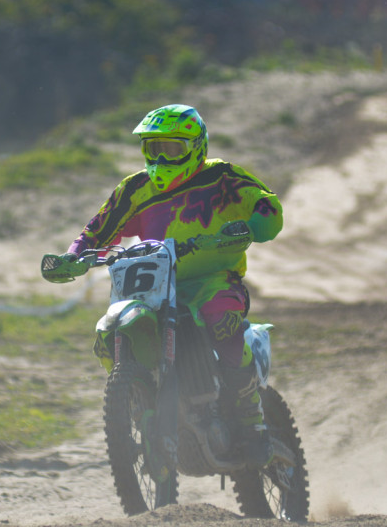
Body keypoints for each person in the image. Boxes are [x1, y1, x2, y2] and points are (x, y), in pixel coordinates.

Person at [47, 104, 283, 467]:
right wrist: (73, 256)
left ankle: (252, 423)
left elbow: (266, 206)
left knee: (218, 316)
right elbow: (97, 229)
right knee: (117, 325)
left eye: (171, 149)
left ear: (195, 146)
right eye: (153, 148)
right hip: (155, 284)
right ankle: (144, 392)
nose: (161, 157)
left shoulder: (221, 177)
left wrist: (250, 226)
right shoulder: (135, 188)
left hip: (213, 280)